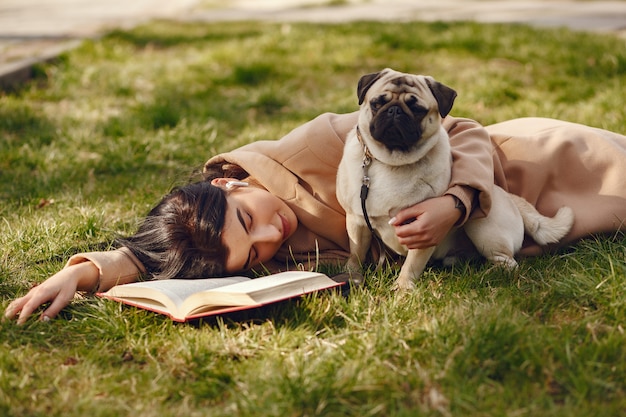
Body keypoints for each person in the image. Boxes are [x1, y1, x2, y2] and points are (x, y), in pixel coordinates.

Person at [5, 112, 626, 324]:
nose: (270, 239)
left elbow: (462, 129)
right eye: (252, 257)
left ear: (226, 183)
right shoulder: (265, 250)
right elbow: (160, 255)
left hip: (530, 169)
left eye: (249, 222)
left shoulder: (306, 150)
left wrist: (454, 203)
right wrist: (85, 272)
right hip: (516, 233)